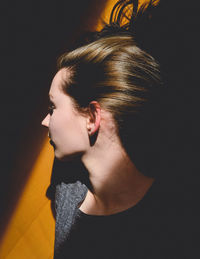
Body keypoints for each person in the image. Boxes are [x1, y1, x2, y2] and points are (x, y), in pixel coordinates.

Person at [42, 0, 196, 258]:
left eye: (52, 108)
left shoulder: (174, 221)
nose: (45, 122)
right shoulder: (66, 191)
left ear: (92, 117)